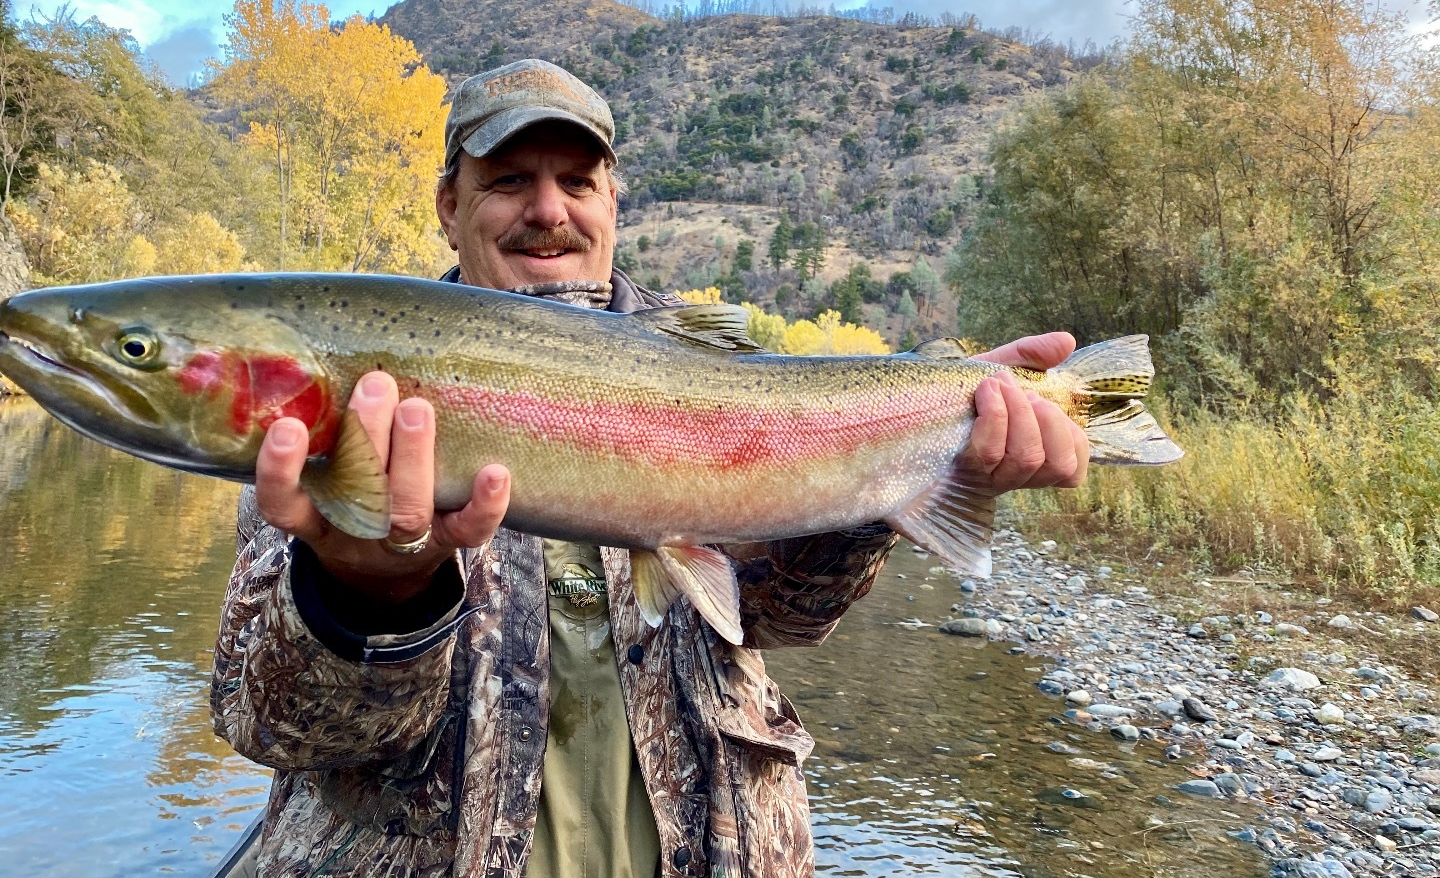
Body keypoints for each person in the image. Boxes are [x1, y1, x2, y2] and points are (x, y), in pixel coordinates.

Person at [210, 59, 1089, 877]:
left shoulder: (714, 368)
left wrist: (908, 462)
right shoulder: (363, 391)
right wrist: (369, 594)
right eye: (510, 180)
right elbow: (273, 723)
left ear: (612, 204)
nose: (548, 210)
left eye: (577, 183)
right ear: (449, 205)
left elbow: (782, 616)